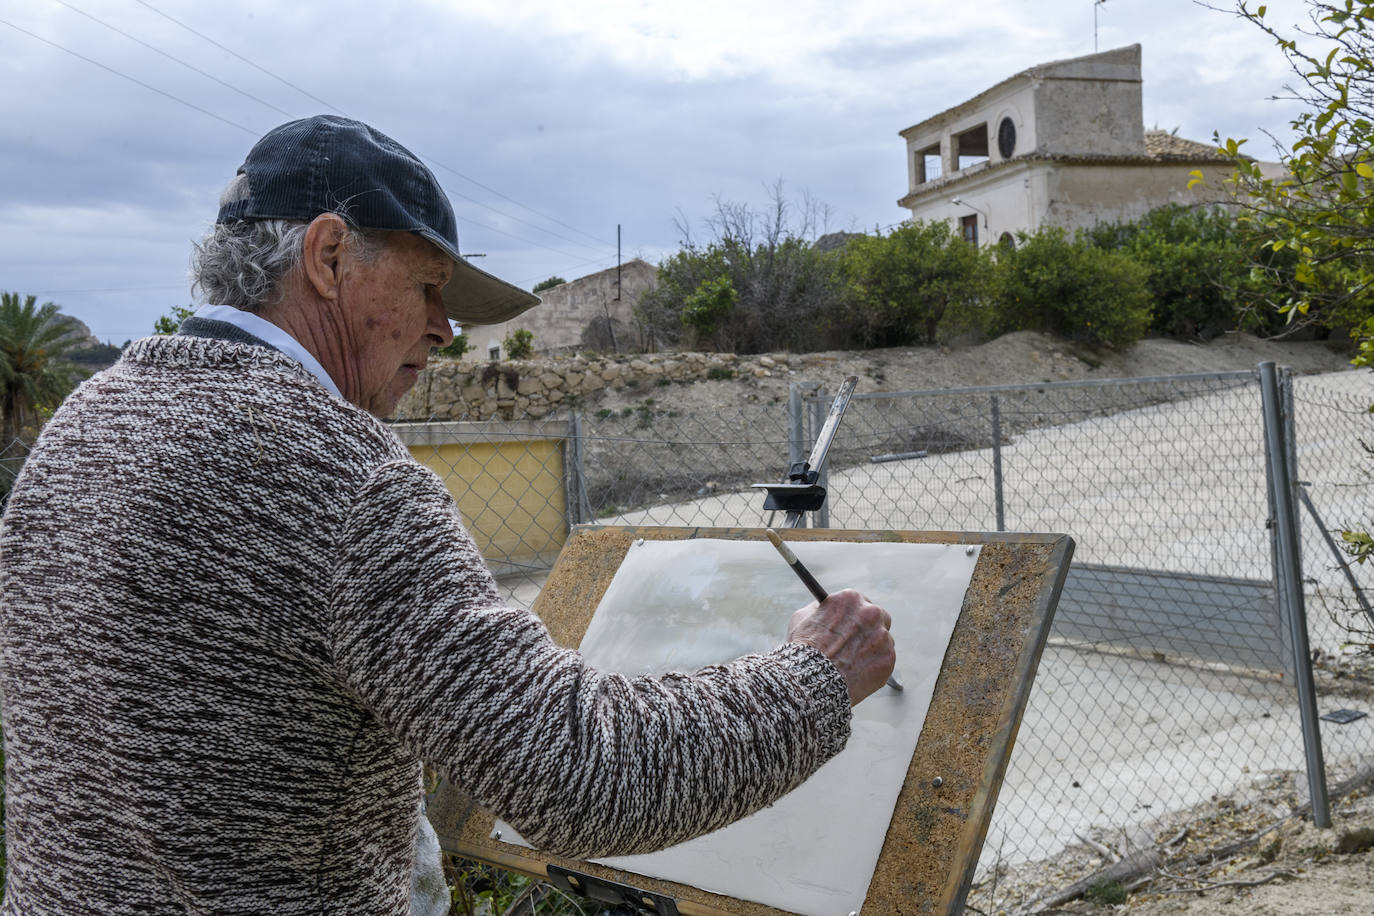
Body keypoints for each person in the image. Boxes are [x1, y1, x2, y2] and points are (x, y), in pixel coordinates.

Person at [0, 115, 896, 914]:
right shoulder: (342, 478)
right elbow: (582, 776)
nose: (445, 329)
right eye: (428, 288)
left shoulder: (83, 422)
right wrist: (815, 674)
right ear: (328, 257)